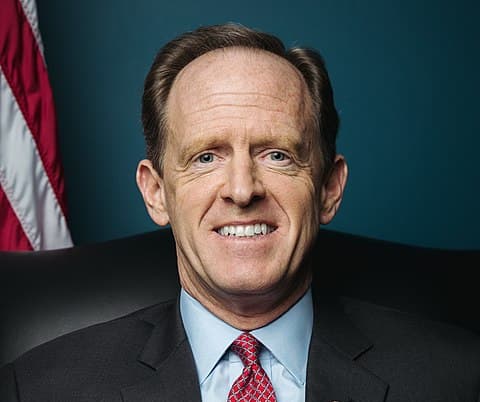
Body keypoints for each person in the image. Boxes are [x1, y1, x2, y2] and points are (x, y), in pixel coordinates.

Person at [1, 23, 480, 402]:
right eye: (206, 157)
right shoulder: (39, 388)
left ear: (329, 189)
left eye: (277, 155)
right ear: (156, 193)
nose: (242, 189)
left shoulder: (457, 378)